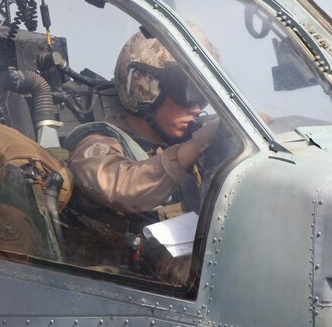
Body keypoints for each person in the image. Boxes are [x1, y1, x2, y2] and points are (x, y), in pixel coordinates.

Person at [64, 29, 221, 282]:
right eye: (187, 91)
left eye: (204, 95)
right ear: (146, 88)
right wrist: (195, 146)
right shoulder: (96, 145)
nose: (195, 107)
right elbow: (122, 186)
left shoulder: (190, 139)